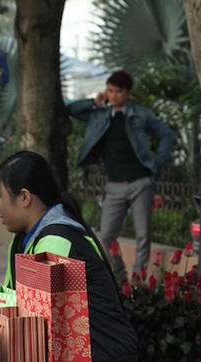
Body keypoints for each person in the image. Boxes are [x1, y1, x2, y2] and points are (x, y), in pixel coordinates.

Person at [0, 150, 142, 362]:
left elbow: (42, 330)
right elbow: (6, 301)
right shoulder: (25, 239)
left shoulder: (58, 242)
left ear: (24, 197)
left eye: (0, 196)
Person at [67, 69, 176, 282]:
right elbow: (71, 109)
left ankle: (137, 281)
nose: (113, 95)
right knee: (106, 234)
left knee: (143, 236)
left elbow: (167, 135)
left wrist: (156, 163)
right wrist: (94, 102)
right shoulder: (99, 114)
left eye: (118, 91)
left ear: (128, 93)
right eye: (110, 90)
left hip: (141, 183)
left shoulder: (141, 115)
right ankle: (120, 277)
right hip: (114, 184)